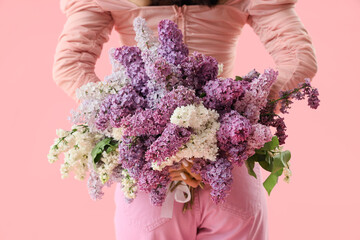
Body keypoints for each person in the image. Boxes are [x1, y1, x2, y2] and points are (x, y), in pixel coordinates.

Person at [52, 0, 318, 239]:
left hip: (153, 174)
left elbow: (69, 64)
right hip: (228, 165)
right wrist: (244, 110)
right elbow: (299, 58)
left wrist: (128, 118)